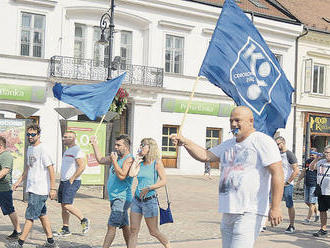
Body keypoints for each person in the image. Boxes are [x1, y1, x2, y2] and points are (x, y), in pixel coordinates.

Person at [171, 106, 284, 248]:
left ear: (251, 121)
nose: (233, 124)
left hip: (249, 210)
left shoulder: (262, 141)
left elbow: (277, 173)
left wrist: (275, 207)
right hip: (228, 209)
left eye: (237, 120)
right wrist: (186, 142)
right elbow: (206, 155)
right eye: (231, 121)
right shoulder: (229, 144)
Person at [11, 124, 58, 248]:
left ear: (38, 135)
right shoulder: (30, 149)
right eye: (28, 134)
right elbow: (28, 168)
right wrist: (18, 182)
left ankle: (20, 243)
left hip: (39, 189)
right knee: (42, 215)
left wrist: (53, 188)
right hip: (32, 188)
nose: (30, 137)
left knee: (30, 216)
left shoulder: (43, 149)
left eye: (33, 134)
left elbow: (51, 168)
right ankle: (50, 241)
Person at [90, 134, 134, 248]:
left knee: (111, 225)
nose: (115, 147)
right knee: (124, 226)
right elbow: (100, 160)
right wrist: (95, 145)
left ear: (126, 146)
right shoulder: (116, 157)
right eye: (115, 144)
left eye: (119, 145)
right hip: (115, 197)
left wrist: (114, 161)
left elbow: (122, 175)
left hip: (122, 198)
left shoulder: (129, 159)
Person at [128, 138, 170, 248]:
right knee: (133, 230)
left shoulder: (157, 163)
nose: (141, 147)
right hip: (136, 200)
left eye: (143, 145)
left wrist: (149, 188)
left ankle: (168, 245)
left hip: (149, 201)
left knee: (153, 231)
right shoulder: (141, 162)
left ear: (150, 148)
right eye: (140, 145)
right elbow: (132, 174)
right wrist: (136, 160)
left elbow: (164, 181)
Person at [55, 131, 89, 237]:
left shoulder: (77, 150)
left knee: (67, 204)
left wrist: (72, 178)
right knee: (63, 206)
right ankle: (65, 228)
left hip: (72, 181)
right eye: (64, 137)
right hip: (64, 181)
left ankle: (84, 220)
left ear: (73, 138)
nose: (64, 139)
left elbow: (82, 166)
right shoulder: (68, 150)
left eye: (67, 137)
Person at [275, 136, 299, 234]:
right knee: (271, 202)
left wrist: (288, 182)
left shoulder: (289, 154)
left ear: (283, 143)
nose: (277, 146)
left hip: (287, 184)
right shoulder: (276, 154)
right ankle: (263, 225)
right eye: (275, 144)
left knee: (289, 204)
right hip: (277, 183)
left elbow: (296, 170)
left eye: (278, 144)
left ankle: (292, 225)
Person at [0, 136, 21, 239]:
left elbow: (4, 171)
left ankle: (18, 230)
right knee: (9, 209)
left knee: (9, 210)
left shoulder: (6, 156)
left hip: (4, 189)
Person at [310, 145, 330, 237]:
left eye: (328, 153)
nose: (326, 154)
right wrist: (316, 159)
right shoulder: (321, 162)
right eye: (325, 152)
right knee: (322, 210)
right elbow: (311, 168)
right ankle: (323, 229)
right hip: (322, 191)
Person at [297, 147, 319, 224]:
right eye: (310, 154)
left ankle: (308, 219)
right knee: (307, 201)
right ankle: (317, 213)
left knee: (312, 202)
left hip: (314, 184)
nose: (311, 156)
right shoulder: (307, 161)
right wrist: (299, 180)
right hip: (307, 183)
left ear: (316, 155)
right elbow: (303, 171)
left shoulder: (319, 162)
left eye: (313, 154)